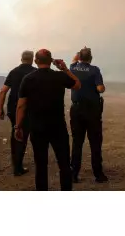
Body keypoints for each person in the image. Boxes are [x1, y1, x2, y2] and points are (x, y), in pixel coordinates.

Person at [14, 49, 80, 191]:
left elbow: (21, 106)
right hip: (58, 127)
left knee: (41, 165)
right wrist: (64, 68)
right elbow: (77, 84)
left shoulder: (28, 79)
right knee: (64, 164)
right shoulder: (59, 76)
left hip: (37, 128)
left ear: (36, 61)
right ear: (51, 61)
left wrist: (17, 126)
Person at [69, 47, 108, 183]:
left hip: (77, 110)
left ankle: (73, 174)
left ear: (79, 58)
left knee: (77, 142)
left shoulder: (72, 68)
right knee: (95, 143)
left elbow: (73, 60)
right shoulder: (95, 70)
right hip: (92, 111)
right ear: (90, 59)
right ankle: (98, 174)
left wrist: (78, 53)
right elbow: (100, 89)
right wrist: (101, 87)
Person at [0, 50, 36, 176]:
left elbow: (3, 91)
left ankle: (16, 163)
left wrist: (1, 109)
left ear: (21, 59)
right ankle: (18, 168)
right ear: (32, 59)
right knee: (23, 136)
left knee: (15, 133)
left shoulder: (14, 72)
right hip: (28, 109)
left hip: (12, 108)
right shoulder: (34, 72)